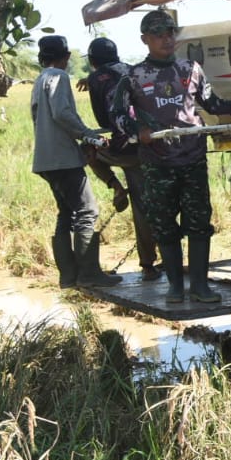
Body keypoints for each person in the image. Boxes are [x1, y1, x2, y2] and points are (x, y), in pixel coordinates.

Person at [110, 9, 231, 304]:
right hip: (157, 163)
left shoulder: (191, 69)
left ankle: (200, 286)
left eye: (170, 32)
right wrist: (138, 130)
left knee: (199, 223)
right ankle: (175, 287)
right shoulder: (133, 76)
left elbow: (213, 103)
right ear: (144, 39)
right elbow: (118, 115)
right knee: (163, 224)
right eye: (158, 34)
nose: (165, 39)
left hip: (193, 158)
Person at [30, 34, 122, 289]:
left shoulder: (39, 80)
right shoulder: (59, 77)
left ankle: (69, 276)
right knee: (87, 211)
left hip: (45, 159)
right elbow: (62, 113)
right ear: (67, 57)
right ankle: (90, 274)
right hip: (62, 158)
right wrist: (89, 135)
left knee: (66, 213)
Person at [82, 37, 161, 281]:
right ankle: (148, 266)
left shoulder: (96, 79)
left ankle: (115, 186)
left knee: (86, 149)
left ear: (93, 61)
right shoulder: (133, 70)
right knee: (143, 207)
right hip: (143, 148)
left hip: (118, 148)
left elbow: (103, 121)